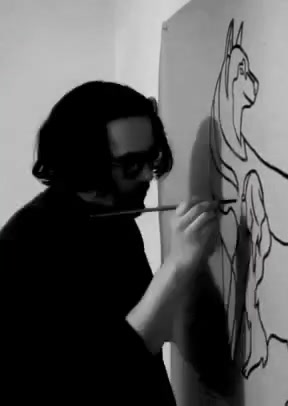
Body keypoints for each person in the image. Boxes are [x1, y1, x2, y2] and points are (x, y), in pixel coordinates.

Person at [0, 81, 220, 405]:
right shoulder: (24, 247)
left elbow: (152, 330)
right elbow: (107, 371)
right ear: (83, 162)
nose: (147, 175)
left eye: (151, 158)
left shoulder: (114, 221)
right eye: (131, 164)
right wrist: (176, 266)